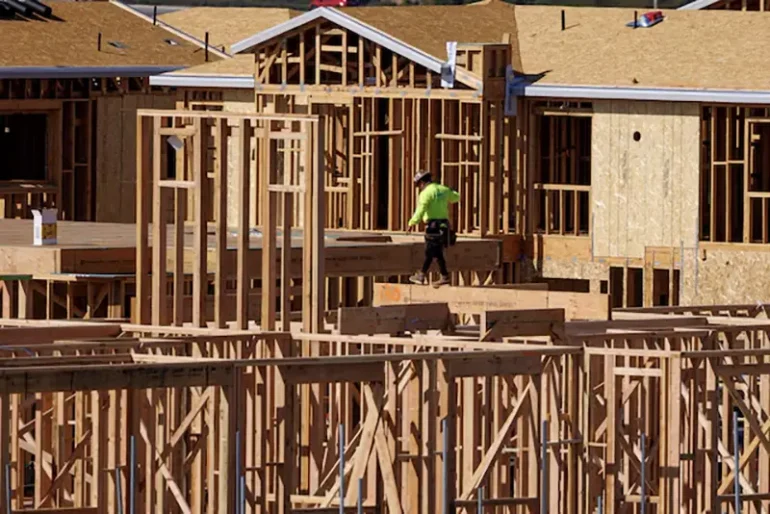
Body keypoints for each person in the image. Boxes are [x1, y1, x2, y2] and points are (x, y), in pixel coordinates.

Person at [407, 170, 459, 285]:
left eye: (419, 185)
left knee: (430, 252)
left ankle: (422, 275)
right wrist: (451, 190)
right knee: (436, 252)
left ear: (422, 182)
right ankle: (443, 276)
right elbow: (456, 198)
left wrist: (412, 223)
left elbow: (421, 210)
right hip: (444, 226)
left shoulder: (425, 193)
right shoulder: (443, 189)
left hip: (433, 227)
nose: (419, 188)